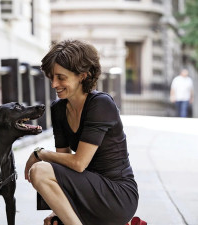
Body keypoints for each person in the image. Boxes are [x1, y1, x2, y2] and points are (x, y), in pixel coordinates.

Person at [24, 39, 139, 225]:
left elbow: (78, 163)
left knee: (39, 169)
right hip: (86, 191)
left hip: (117, 195)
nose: (54, 84)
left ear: (82, 76)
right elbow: (61, 166)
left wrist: (40, 154)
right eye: (52, 77)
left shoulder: (101, 104)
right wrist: (57, 212)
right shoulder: (59, 108)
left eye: (61, 77)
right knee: (53, 221)